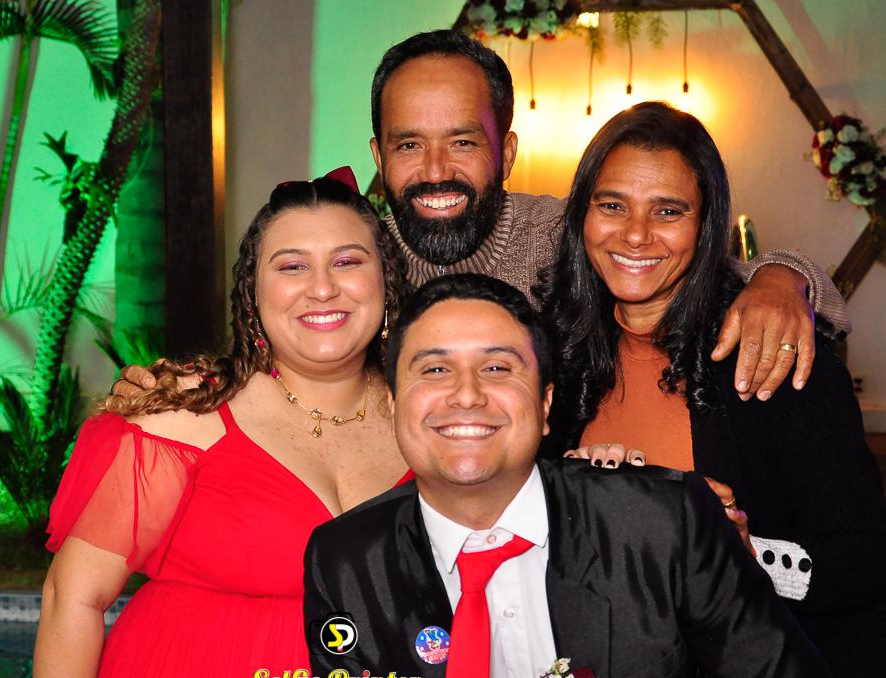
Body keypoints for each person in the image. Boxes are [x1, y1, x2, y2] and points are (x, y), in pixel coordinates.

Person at [115, 30, 849, 406]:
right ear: (378, 155)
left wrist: (782, 280)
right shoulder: (350, 258)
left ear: (508, 152)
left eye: (463, 142)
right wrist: (176, 393)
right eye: (410, 145)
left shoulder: (568, 234)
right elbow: (274, 352)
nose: (435, 170)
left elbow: (704, 274)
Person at [303, 273, 848, 678]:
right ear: (394, 403)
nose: (466, 394)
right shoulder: (348, 561)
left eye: (497, 368)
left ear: (545, 406)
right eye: (435, 369)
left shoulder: (662, 524)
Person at [538, 101, 886, 678]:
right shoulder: (552, 355)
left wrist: (751, 556)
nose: (635, 234)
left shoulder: (771, 356)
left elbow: (866, 559)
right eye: (612, 205)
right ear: (581, 214)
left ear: (706, 227)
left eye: (668, 211)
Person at [33, 169, 412, 678]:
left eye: (348, 261)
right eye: (291, 266)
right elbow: (73, 598)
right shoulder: (186, 416)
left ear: (387, 280)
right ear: (253, 294)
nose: (322, 287)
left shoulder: (431, 418)